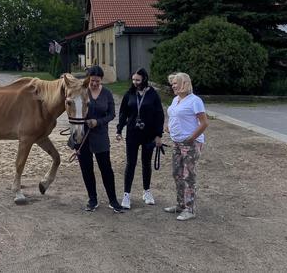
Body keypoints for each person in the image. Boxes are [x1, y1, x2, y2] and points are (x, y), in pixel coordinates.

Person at [77, 65, 125, 213]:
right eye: (92, 81)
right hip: (83, 136)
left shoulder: (107, 94)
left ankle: (113, 200)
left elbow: (111, 114)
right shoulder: (82, 92)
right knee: (87, 169)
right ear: (88, 79)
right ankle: (92, 199)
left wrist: (98, 122)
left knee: (106, 169)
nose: (94, 84)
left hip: (101, 136)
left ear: (101, 80)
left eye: (97, 81)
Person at [115, 68, 164, 209]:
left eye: (138, 80)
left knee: (146, 163)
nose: (135, 82)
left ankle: (147, 191)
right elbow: (123, 113)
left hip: (149, 134)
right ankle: (126, 194)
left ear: (144, 79)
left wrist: (158, 135)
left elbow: (159, 115)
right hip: (132, 133)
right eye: (133, 80)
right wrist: (119, 130)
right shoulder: (129, 94)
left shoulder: (153, 94)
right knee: (130, 163)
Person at [164, 72, 209, 221]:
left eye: (176, 83)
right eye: (172, 84)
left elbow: (204, 123)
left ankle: (190, 209)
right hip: (177, 142)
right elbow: (175, 116)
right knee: (176, 173)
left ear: (185, 83)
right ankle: (180, 204)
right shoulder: (176, 99)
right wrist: (169, 126)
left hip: (190, 143)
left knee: (188, 175)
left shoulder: (195, 101)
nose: (173, 86)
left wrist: (192, 138)